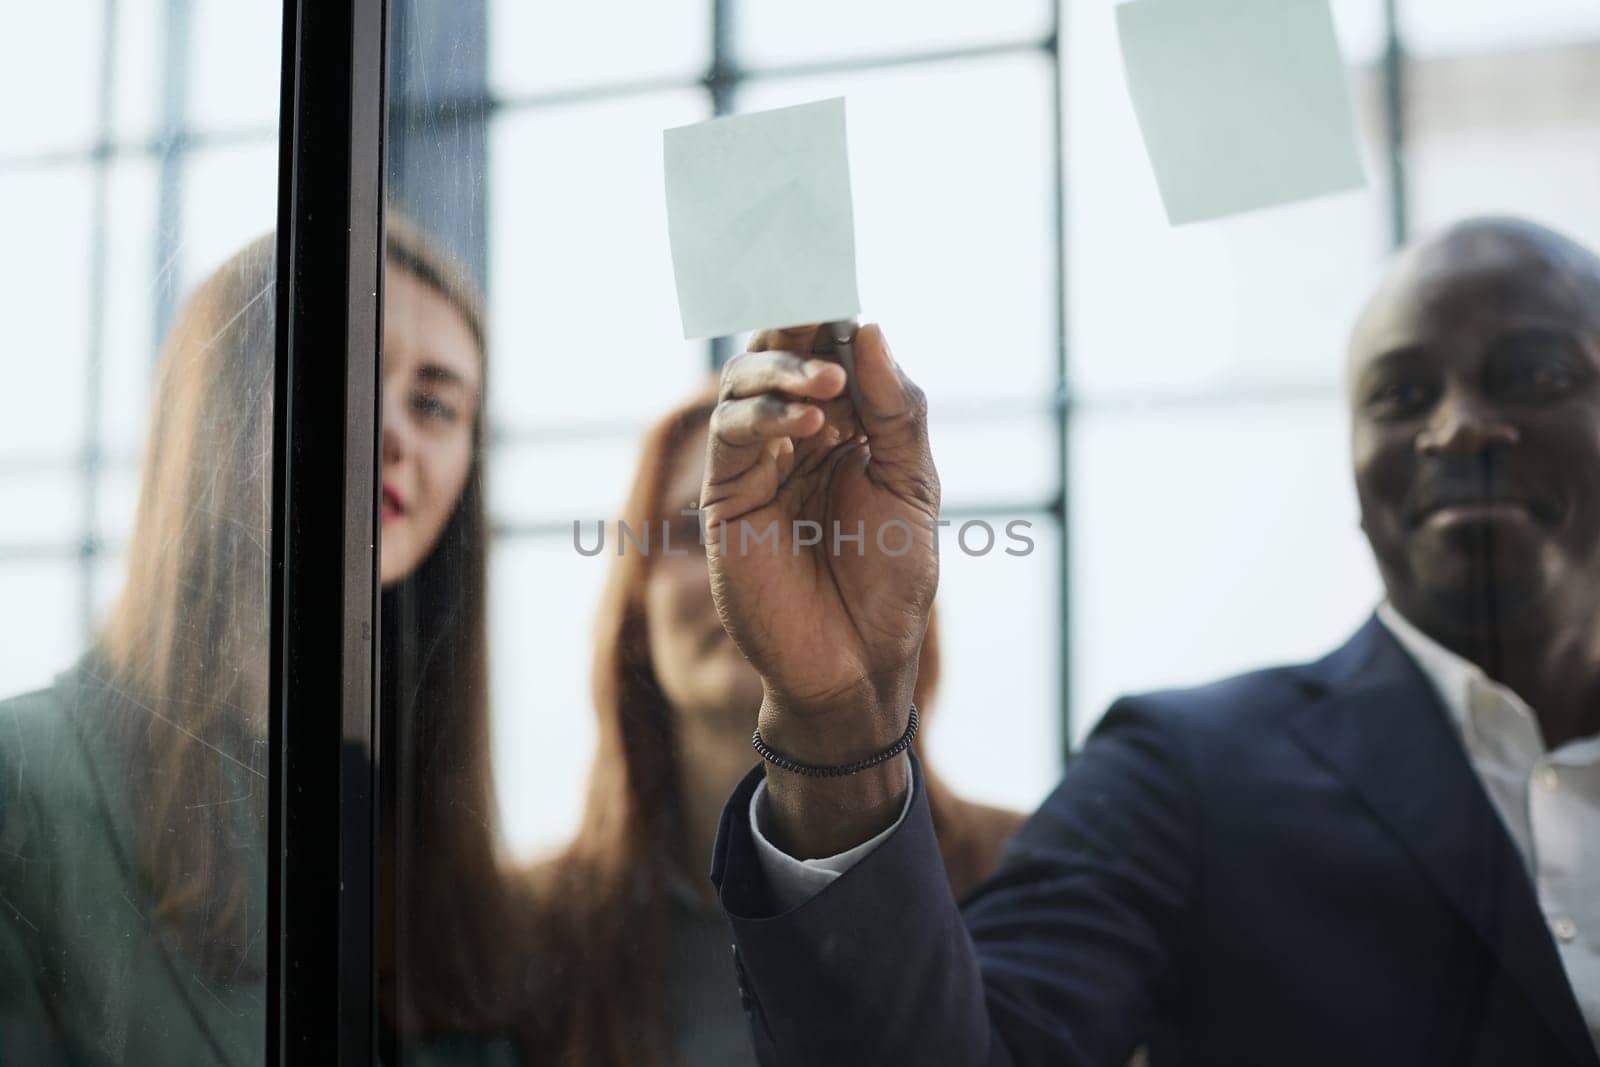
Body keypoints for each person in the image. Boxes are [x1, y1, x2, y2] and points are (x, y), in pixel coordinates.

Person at [698, 218, 1600, 1065]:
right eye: (1402, 395)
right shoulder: (1184, 774)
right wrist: (840, 717)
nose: (1461, 426)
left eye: (1537, 375)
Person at [0, 217, 529, 1065]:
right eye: (344, 366)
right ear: (219, 406)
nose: (390, 432)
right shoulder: (21, 778)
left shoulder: (443, 847)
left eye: (435, 403)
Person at [519, 381, 1026, 1066]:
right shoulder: (521, 925)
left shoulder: (1022, 869)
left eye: (808, 525)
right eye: (694, 529)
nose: (750, 565)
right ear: (638, 609)